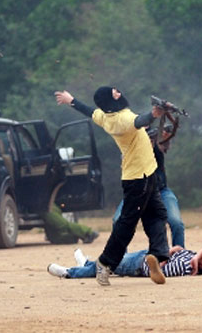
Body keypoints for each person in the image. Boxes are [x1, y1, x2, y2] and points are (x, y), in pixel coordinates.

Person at [55, 86, 170, 286]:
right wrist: (153, 114)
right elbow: (139, 121)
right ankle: (105, 263)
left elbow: (89, 111)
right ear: (111, 101)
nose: (118, 92)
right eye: (114, 92)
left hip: (147, 172)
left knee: (158, 214)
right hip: (138, 178)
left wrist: (71, 100)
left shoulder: (105, 116)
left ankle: (157, 256)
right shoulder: (121, 120)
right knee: (127, 224)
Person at [112, 125, 185, 248]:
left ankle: (180, 256)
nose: (149, 141)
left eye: (151, 138)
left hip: (161, 192)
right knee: (117, 221)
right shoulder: (129, 150)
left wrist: (167, 134)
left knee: (176, 222)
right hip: (137, 194)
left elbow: (164, 142)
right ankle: (120, 259)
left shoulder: (158, 147)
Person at [47, 238, 202, 282]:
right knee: (114, 258)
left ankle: (70, 273)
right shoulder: (194, 258)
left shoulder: (187, 267)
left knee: (108, 264)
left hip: (139, 265)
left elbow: (159, 266)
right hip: (144, 254)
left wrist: (170, 253)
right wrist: (197, 255)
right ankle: (86, 264)